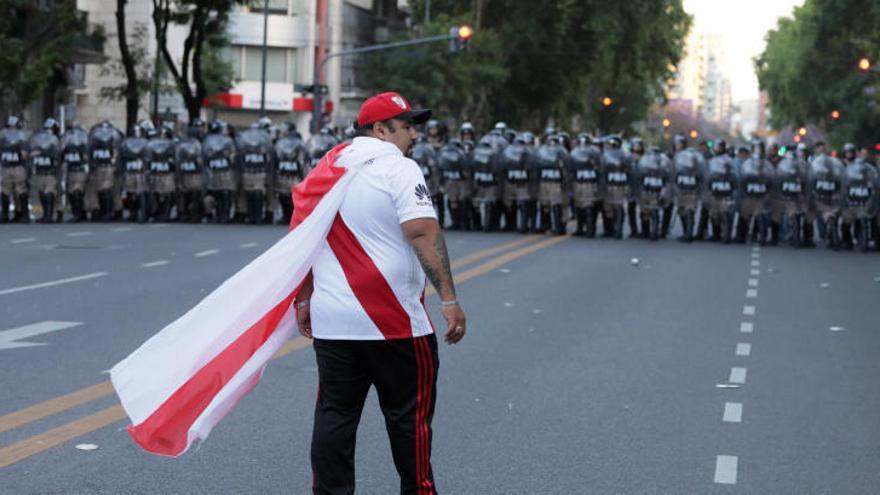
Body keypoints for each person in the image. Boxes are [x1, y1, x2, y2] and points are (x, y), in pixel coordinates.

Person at [294, 92, 465, 495]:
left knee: (335, 417)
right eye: (406, 126)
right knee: (410, 422)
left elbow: (303, 239)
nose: (414, 134)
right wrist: (450, 299)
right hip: (395, 323)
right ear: (379, 129)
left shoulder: (328, 167)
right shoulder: (399, 169)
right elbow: (423, 233)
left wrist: (304, 299)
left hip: (335, 322)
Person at [1, 116, 30, 222]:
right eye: (10, 126)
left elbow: (24, 154)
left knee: (20, 190)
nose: (11, 129)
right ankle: (5, 215)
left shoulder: (21, 137)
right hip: (7, 166)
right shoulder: (4, 137)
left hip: (17, 167)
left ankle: (23, 214)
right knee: (5, 190)